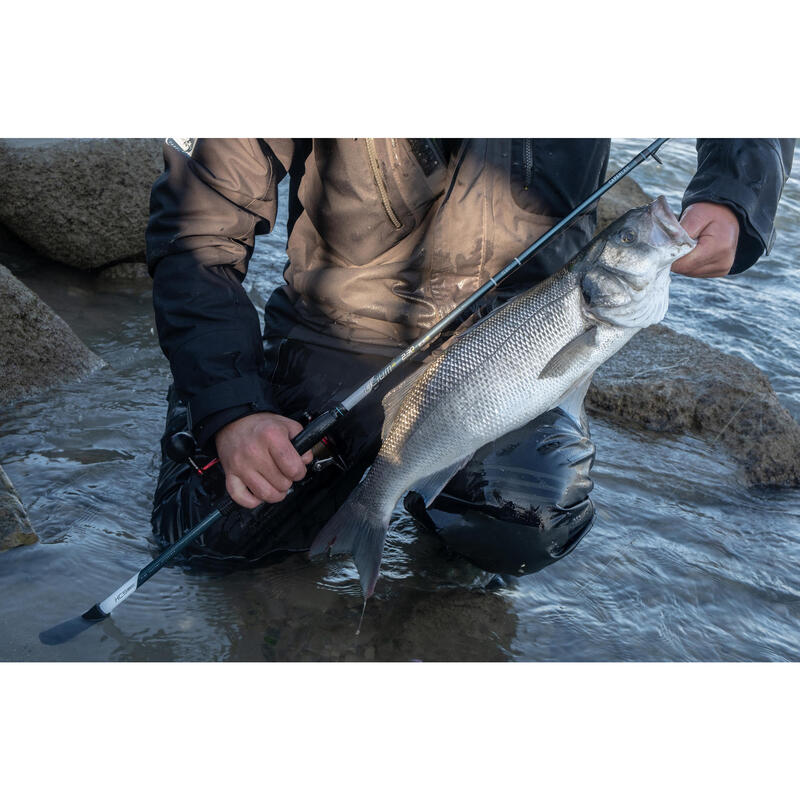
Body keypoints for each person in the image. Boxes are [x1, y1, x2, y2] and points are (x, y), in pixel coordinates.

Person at [145, 138, 793, 576]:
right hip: (335, 338)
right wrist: (233, 410)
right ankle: (201, 412)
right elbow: (199, 221)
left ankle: (439, 524)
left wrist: (735, 192)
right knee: (217, 546)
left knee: (526, 516)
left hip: (513, 336)